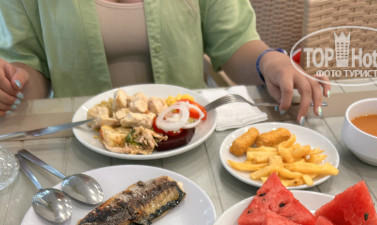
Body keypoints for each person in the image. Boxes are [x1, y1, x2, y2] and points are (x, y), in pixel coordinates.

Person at [0, 0, 329, 123]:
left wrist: (270, 61)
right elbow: (29, 67)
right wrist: (12, 84)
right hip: (83, 140)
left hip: (187, 133)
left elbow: (234, 42)